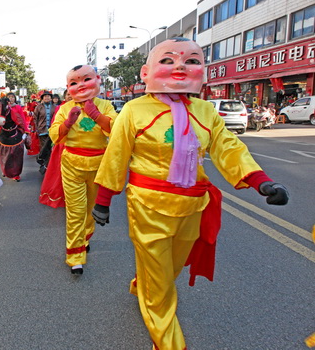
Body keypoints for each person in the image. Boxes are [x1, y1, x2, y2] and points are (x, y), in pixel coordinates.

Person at [93, 38, 289, 350]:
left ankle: (144, 284)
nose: (180, 66)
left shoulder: (206, 111)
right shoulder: (134, 110)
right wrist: (103, 201)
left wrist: (260, 181)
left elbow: (228, 147)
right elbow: (116, 156)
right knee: (160, 290)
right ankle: (169, 343)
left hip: (193, 208)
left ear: (203, 71)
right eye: (168, 61)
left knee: (168, 271)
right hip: (148, 207)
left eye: (191, 61)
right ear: (146, 72)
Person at [48, 66, 117, 274]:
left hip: (99, 165)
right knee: (75, 211)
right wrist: (68, 122)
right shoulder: (64, 107)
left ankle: (85, 236)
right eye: (74, 82)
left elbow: (116, 130)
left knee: (90, 210)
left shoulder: (106, 105)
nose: (81, 85)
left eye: (86, 79)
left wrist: (96, 115)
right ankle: (75, 255)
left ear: (97, 80)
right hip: (72, 165)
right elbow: (54, 135)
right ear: (69, 87)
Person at [33, 90, 54, 173]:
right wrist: (37, 128)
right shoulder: (38, 107)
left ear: (51, 98)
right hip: (42, 130)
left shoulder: (55, 107)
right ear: (42, 98)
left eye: (48, 96)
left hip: (53, 131)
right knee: (44, 148)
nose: (47, 97)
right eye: (45, 96)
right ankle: (43, 164)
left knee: (52, 148)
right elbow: (35, 118)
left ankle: (49, 165)